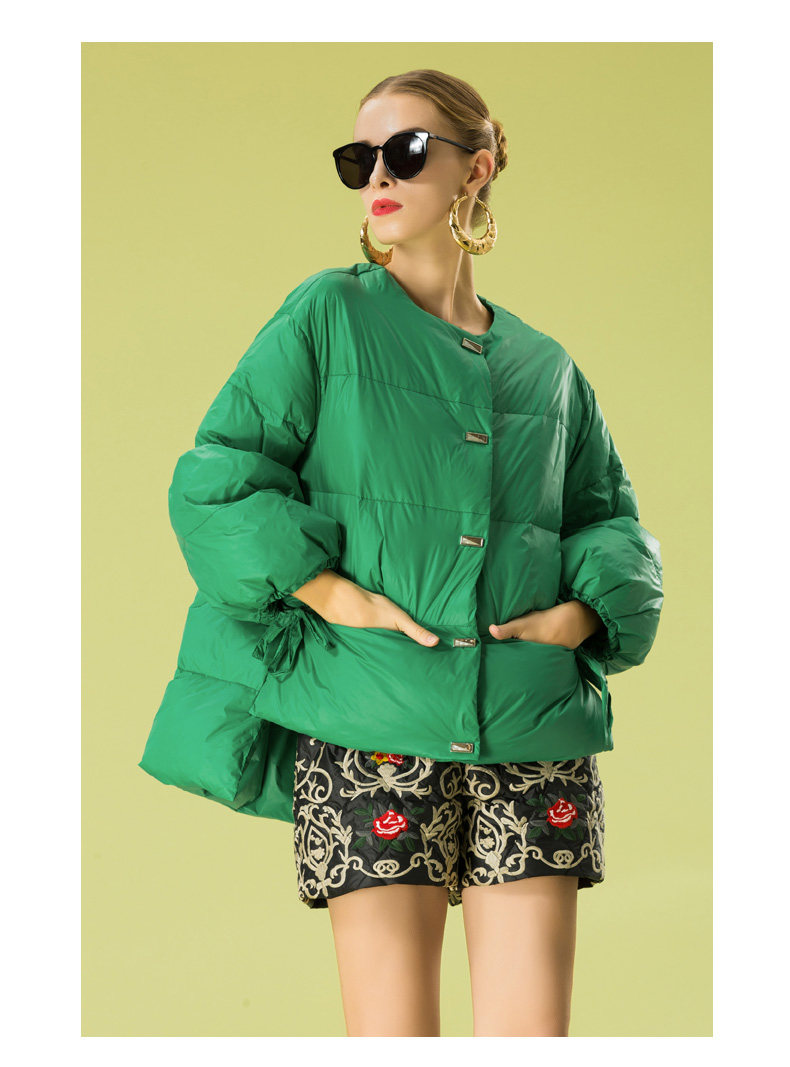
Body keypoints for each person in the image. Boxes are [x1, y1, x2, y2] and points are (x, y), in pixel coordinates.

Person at [139, 68, 663, 1038]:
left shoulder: (546, 367)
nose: (377, 175)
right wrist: (327, 592)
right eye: (359, 158)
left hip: (531, 727)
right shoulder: (326, 316)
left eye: (407, 151)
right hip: (366, 721)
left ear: (478, 166)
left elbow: (610, 521)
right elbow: (218, 475)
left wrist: (581, 614)